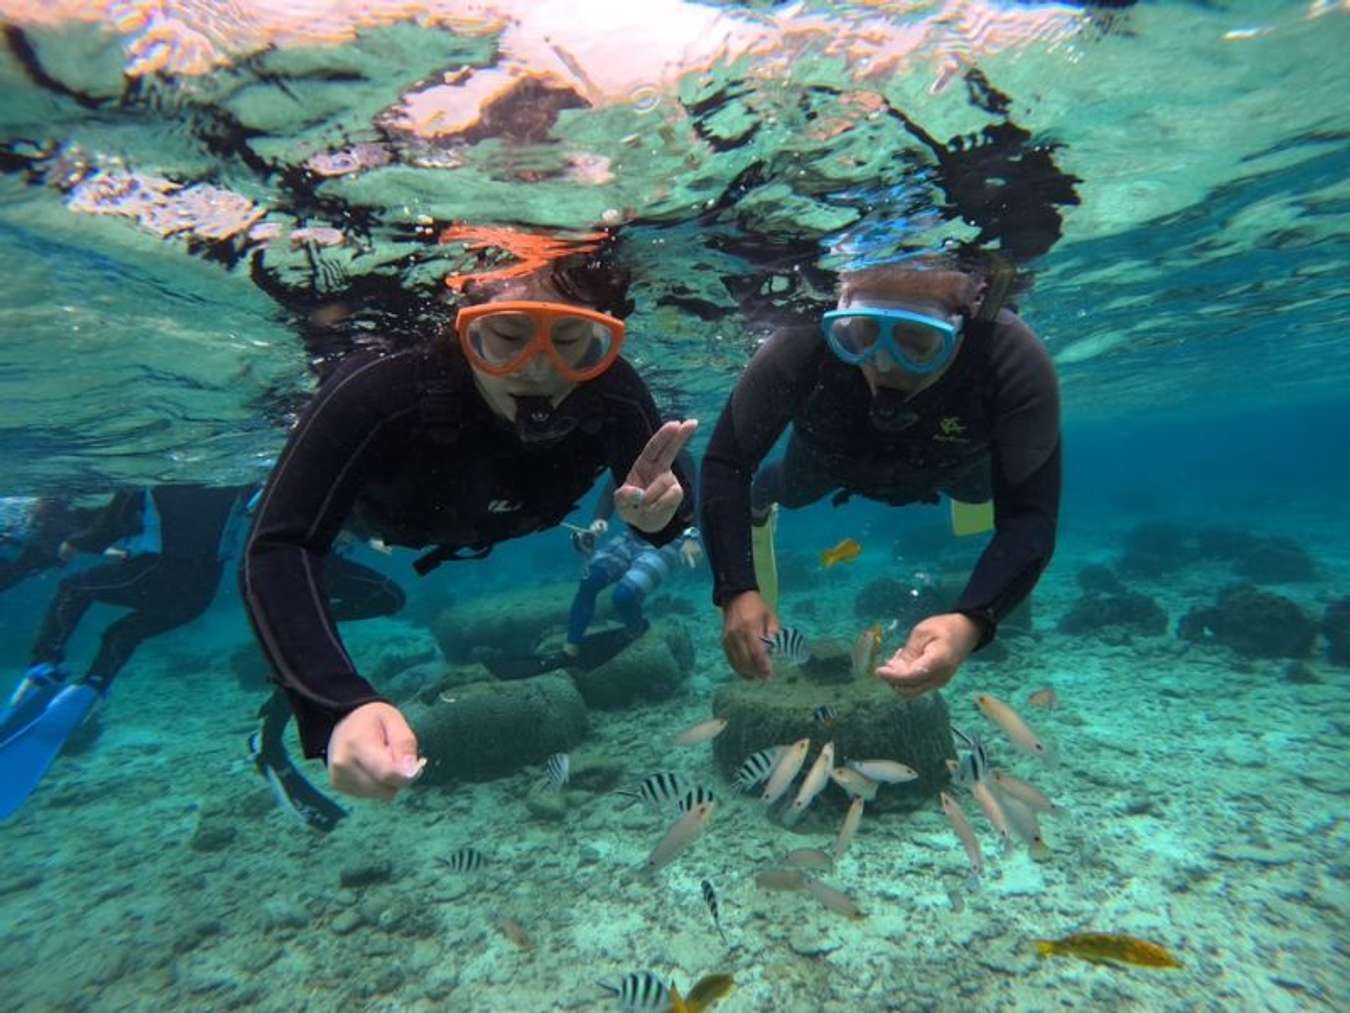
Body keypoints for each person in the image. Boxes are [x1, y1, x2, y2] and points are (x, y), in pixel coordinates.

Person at [240, 248, 697, 801]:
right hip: (377, 519)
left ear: (602, 333)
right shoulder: (382, 385)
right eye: (507, 336)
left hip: (498, 517)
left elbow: (668, 504)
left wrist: (659, 521)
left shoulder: (614, 392)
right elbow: (281, 544)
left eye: (571, 339)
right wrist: (336, 703)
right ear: (463, 328)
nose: (538, 366)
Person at [700, 252, 1060, 695]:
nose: (884, 364)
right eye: (862, 335)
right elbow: (725, 464)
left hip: (954, 464)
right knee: (779, 490)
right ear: (839, 318)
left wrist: (970, 620)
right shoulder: (800, 343)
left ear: (962, 328)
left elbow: (1029, 517)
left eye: (916, 341)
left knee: (987, 492)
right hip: (827, 459)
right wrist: (736, 588)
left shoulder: (1011, 358)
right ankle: (760, 506)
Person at [562, 465, 702, 661]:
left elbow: (695, 498)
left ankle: (636, 629)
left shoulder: (681, 458)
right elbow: (612, 490)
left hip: (669, 541)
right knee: (590, 581)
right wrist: (597, 523)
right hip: (632, 536)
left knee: (624, 596)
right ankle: (570, 646)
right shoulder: (626, 453)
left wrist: (691, 538)